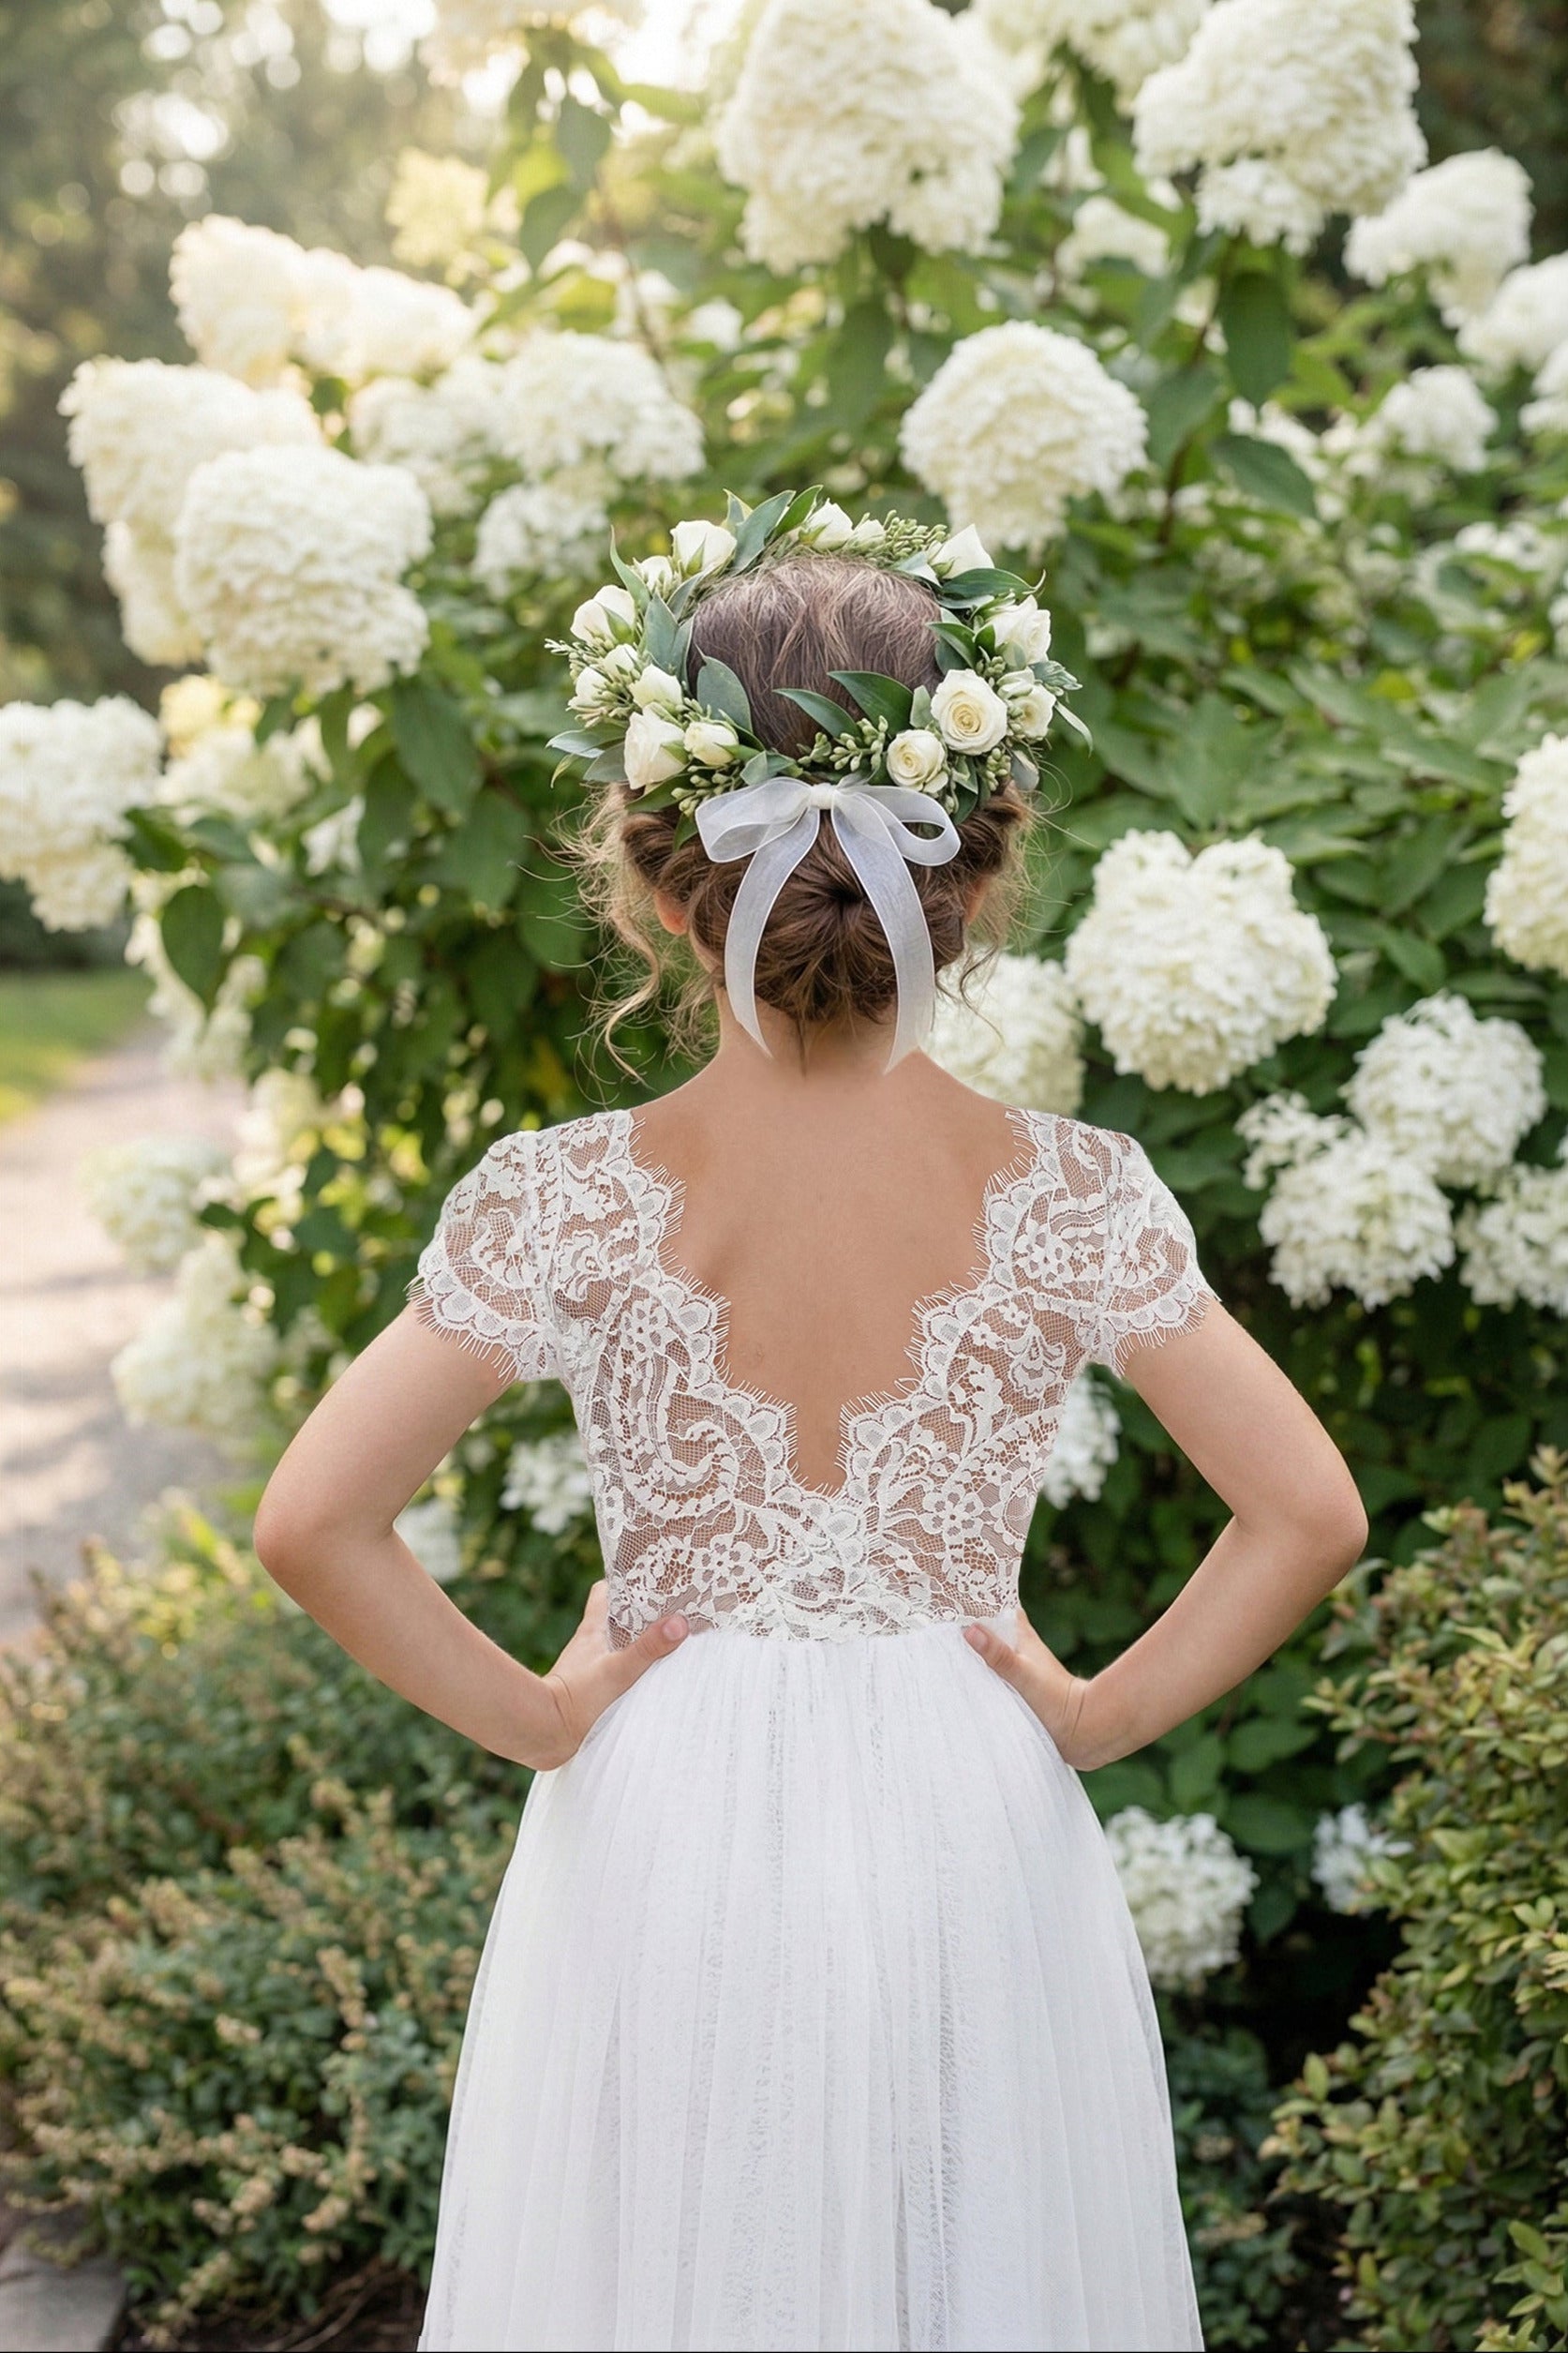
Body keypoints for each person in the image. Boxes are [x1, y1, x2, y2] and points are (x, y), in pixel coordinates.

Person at [254, 501, 1367, 2353]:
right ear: (976, 878)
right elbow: (1308, 1511)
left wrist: (541, 1717)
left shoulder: (567, 1196)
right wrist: (1093, 1716)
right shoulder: (1070, 1193)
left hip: (663, 1815)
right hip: (967, 1805)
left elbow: (312, 1521)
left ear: (653, 882)